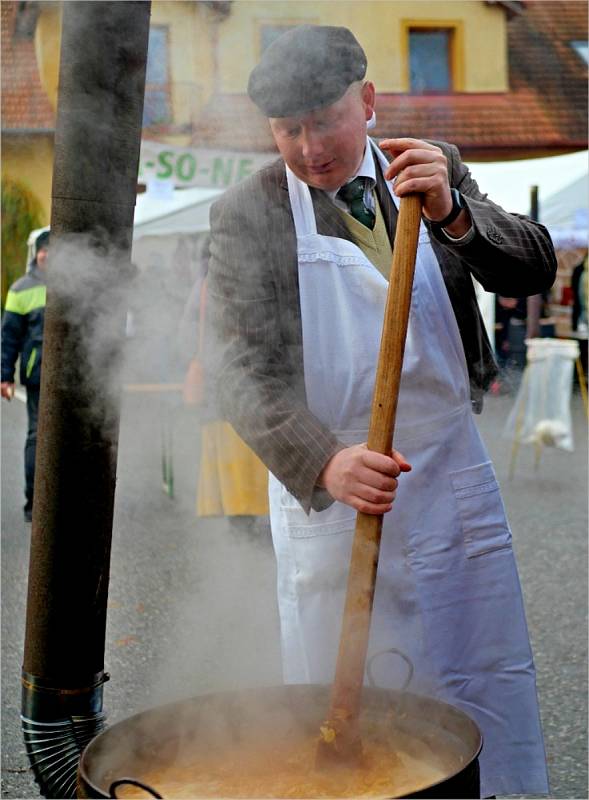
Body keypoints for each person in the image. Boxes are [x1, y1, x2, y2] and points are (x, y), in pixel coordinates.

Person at [206, 25, 556, 798]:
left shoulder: (429, 170)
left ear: (366, 103)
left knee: (476, 676)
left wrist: (455, 214)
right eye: (287, 130)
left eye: (323, 120)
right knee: (351, 696)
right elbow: (237, 369)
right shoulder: (249, 213)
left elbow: (530, 266)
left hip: (445, 475)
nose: (308, 148)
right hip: (333, 486)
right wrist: (323, 461)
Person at [179, 237, 270, 538]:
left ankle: (239, 521)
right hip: (247, 382)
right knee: (249, 452)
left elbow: (187, 335)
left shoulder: (203, 286)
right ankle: (252, 520)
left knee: (230, 454)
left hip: (219, 382)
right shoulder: (249, 282)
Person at [1, 229, 49, 522]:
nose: (49, 255)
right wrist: (4, 376)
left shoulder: (74, 286)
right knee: (37, 435)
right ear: (36, 253)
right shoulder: (20, 289)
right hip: (38, 374)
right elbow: (9, 337)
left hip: (73, 380)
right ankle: (34, 501)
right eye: (44, 249)